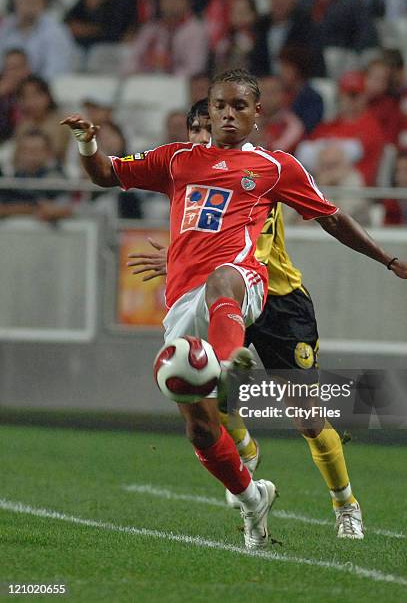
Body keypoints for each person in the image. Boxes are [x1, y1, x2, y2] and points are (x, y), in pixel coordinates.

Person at [61, 68, 407, 549]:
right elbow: (109, 175)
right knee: (199, 426)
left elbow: (332, 217)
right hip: (192, 303)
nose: (227, 115)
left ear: (257, 115)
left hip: (265, 294)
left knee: (305, 412)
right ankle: (252, 497)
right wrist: (89, 144)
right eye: (218, 107)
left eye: (238, 106)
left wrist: (389, 260)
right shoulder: (177, 161)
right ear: (206, 112)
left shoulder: (276, 168)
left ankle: (346, 504)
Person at [130, 99, 364, 539]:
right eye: (195, 130)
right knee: (209, 389)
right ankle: (245, 450)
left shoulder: (258, 172)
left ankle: (345, 502)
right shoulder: (191, 174)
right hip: (224, 298)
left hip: (276, 299)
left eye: (207, 127)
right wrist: (180, 260)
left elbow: (312, 217)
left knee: (307, 417)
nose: (201, 137)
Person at [296, 71, 386, 185]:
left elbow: (349, 154)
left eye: (354, 95)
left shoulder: (370, 126)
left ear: (364, 97)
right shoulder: (329, 125)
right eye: (345, 95)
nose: (350, 100)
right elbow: (304, 152)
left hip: (358, 187)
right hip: (324, 180)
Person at [125, 0, 209, 76]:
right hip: (146, 83)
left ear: (188, 2)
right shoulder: (150, 29)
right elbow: (130, 62)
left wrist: (165, 78)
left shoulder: (196, 31)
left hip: (179, 86)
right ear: (159, 1)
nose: (172, 2)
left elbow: (195, 70)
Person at [0, 129, 73, 220]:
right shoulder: (10, 179)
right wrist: (32, 208)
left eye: (35, 150)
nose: (29, 155)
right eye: (25, 150)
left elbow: (65, 209)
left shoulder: (56, 179)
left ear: (48, 153)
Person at [0, 0, 74, 80]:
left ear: (43, 3)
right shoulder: (6, 28)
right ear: (15, 2)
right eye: (24, 1)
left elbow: (55, 72)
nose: (29, 6)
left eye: (33, 1)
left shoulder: (57, 32)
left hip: (39, 88)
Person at [15, 75, 70, 166]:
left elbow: (56, 156)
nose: (30, 102)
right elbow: (15, 159)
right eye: (25, 97)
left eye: (35, 96)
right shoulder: (23, 125)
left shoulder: (62, 123)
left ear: (47, 96)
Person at [0, 48, 31, 142]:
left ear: (27, 70)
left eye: (16, 68)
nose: (12, 73)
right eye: (8, 68)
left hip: (26, 139)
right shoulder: (2, 92)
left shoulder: (36, 90)